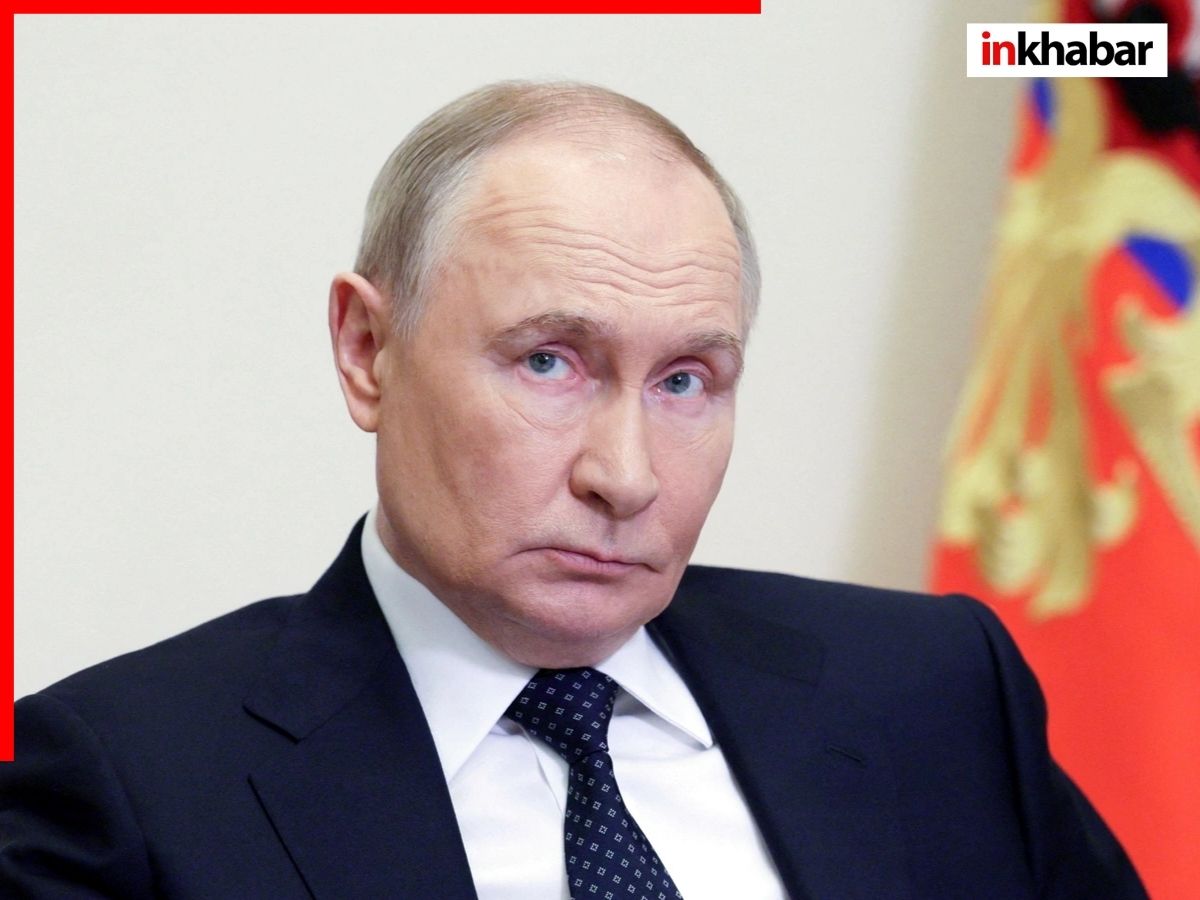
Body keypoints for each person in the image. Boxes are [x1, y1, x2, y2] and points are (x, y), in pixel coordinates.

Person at [1, 81, 1146, 899]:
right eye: (549, 362)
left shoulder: (936, 688)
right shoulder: (125, 789)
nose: (626, 475)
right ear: (367, 350)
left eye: (687, 380)